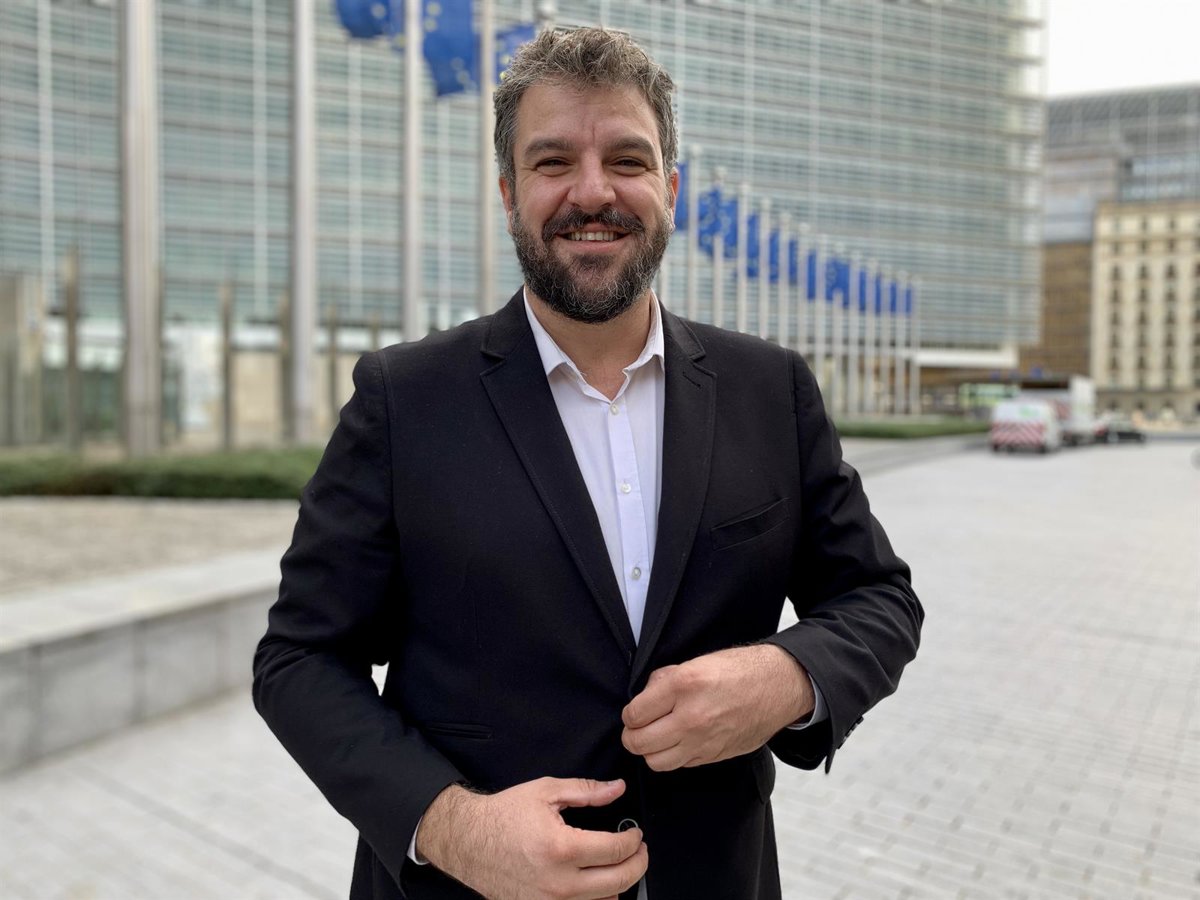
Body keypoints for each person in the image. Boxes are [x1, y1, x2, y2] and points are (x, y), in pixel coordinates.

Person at [254, 26, 922, 900]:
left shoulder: (770, 389)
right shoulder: (403, 399)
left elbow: (879, 599)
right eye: (554, 161)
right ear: (509, 193)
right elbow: (299, 660)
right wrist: (451, 825)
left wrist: (788, 677)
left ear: (670, 189)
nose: (594, 191)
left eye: (628, 160)